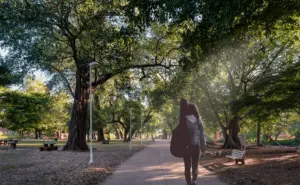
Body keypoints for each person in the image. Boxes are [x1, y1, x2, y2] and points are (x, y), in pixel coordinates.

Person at [181, 100, 206, 185]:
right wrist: (203, 147)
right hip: (196, 146)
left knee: (187, 167)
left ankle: (189, 183)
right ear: (196, 110)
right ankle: (194, 181)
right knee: (195, 166)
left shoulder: (183, 120)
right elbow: (202, 135)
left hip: (186, 147)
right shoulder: (199, 120)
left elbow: (181, 133)